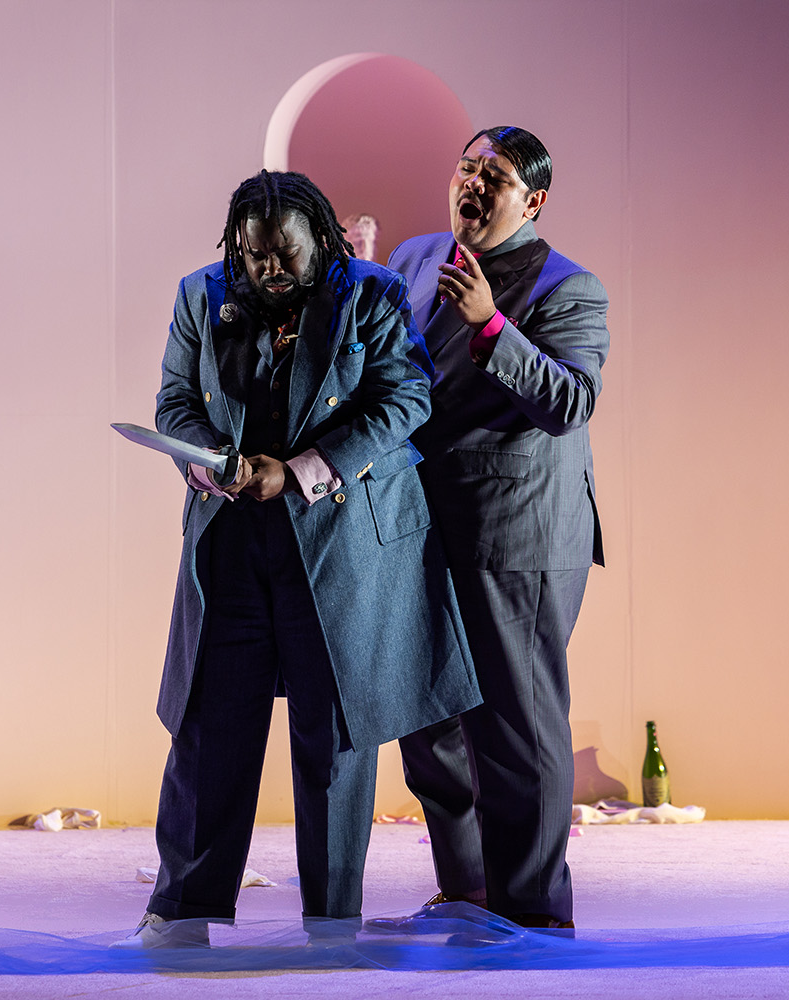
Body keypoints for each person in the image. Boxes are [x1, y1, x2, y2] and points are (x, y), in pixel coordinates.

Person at [129, 170, 479, 944]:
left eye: (284, 254)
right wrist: (208, 464)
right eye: (252, 256)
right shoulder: (199, 293)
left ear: (321, 239)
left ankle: (331, 923)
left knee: (334, 737)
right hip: (231, 544)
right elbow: (175, 401)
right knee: (207, 726)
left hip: (340, 542)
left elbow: (406, 398)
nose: (268, 270)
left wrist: (299, 472)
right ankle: (181, 912)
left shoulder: (374, 293)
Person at [387, 126, 609, 929]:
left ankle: (535, 913)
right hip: (417, 525)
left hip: (517, 535)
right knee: (425, 720)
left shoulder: (568, 287)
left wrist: (489, 325)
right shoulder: (415, 257)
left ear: (533, 200)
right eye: (467, 167)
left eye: (497, 176)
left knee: (517, 728)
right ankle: (470, 892)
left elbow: (571, 402)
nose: (473, 184)